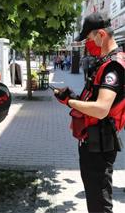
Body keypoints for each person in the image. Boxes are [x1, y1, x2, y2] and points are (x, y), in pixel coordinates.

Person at [54, 12, 124, 213]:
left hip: (99, 145)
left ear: (101, 34)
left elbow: (102, 109)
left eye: (89, 38)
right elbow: (95, 99)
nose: (87, 43)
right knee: (95, 199)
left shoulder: (113, 67)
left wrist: (70, 103)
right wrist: (73, 96)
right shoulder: (105, 62)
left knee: (99, 204)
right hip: (93, 141)